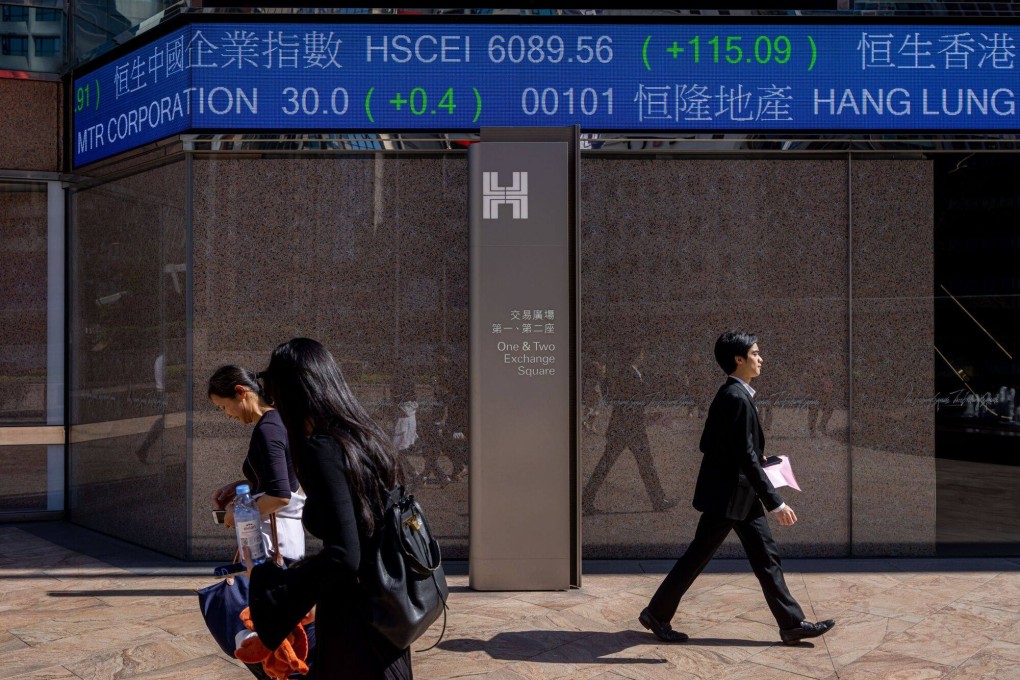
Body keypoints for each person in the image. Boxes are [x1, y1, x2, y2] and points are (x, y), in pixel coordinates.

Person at [639, 332, 835, 645]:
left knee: (766, 557)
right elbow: (741, 455)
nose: (761, 358)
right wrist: (777, 503)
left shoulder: (731, 395)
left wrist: (756, 457)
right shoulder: (736, 398)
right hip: (728, 498)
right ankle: (656, 614)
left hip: (739, 495)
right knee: (698, 557)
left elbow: (711, 444)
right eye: (755, 353)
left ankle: (791, 623)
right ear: (738, 360)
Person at [247, 338, 412, 679]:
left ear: (293, 392)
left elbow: (343, 555)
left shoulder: (325, 448)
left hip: (356, 621)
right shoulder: (364, 437)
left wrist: (279, 589)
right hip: (386, 605)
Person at [208, 365, 306, 563]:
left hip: (274, 545)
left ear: (241, 392)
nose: (227, 414)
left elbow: (280, 496)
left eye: (223, 407)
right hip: (282, 541)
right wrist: (244, 484)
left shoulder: (268, 430)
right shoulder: (276, 422)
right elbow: (281, 480)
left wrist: (237, 513)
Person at [583, 346, 675, 513]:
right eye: (641, 354)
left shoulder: (627, 372)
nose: (643, 356)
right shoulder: (629, 374)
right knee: (645, 465)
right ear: (635, 356)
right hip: (630, 428)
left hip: (623, 427)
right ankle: (658, 501)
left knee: (608, 464)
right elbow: (632, 401)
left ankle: (587, 499)